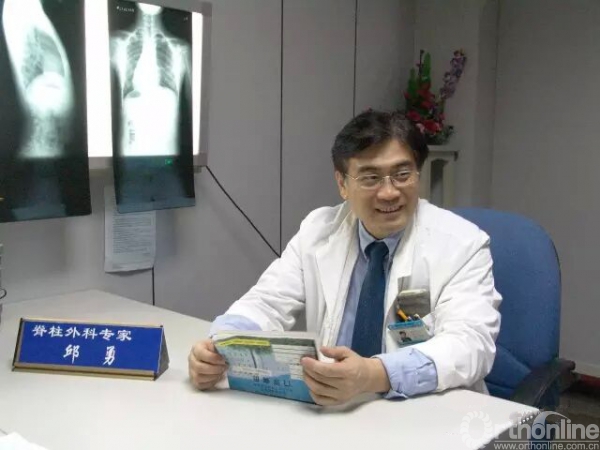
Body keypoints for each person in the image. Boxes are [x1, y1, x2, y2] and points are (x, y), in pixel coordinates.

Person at [188, 110, 502, 406]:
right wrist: (219, 346)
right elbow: (267, 302)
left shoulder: (463, 244)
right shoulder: (318, 230)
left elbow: (470, 344)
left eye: (402, 174)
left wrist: (373, 374)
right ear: (342, 184)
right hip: (336, 408)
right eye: (370, 178)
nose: (389, 192)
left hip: (426, 411)